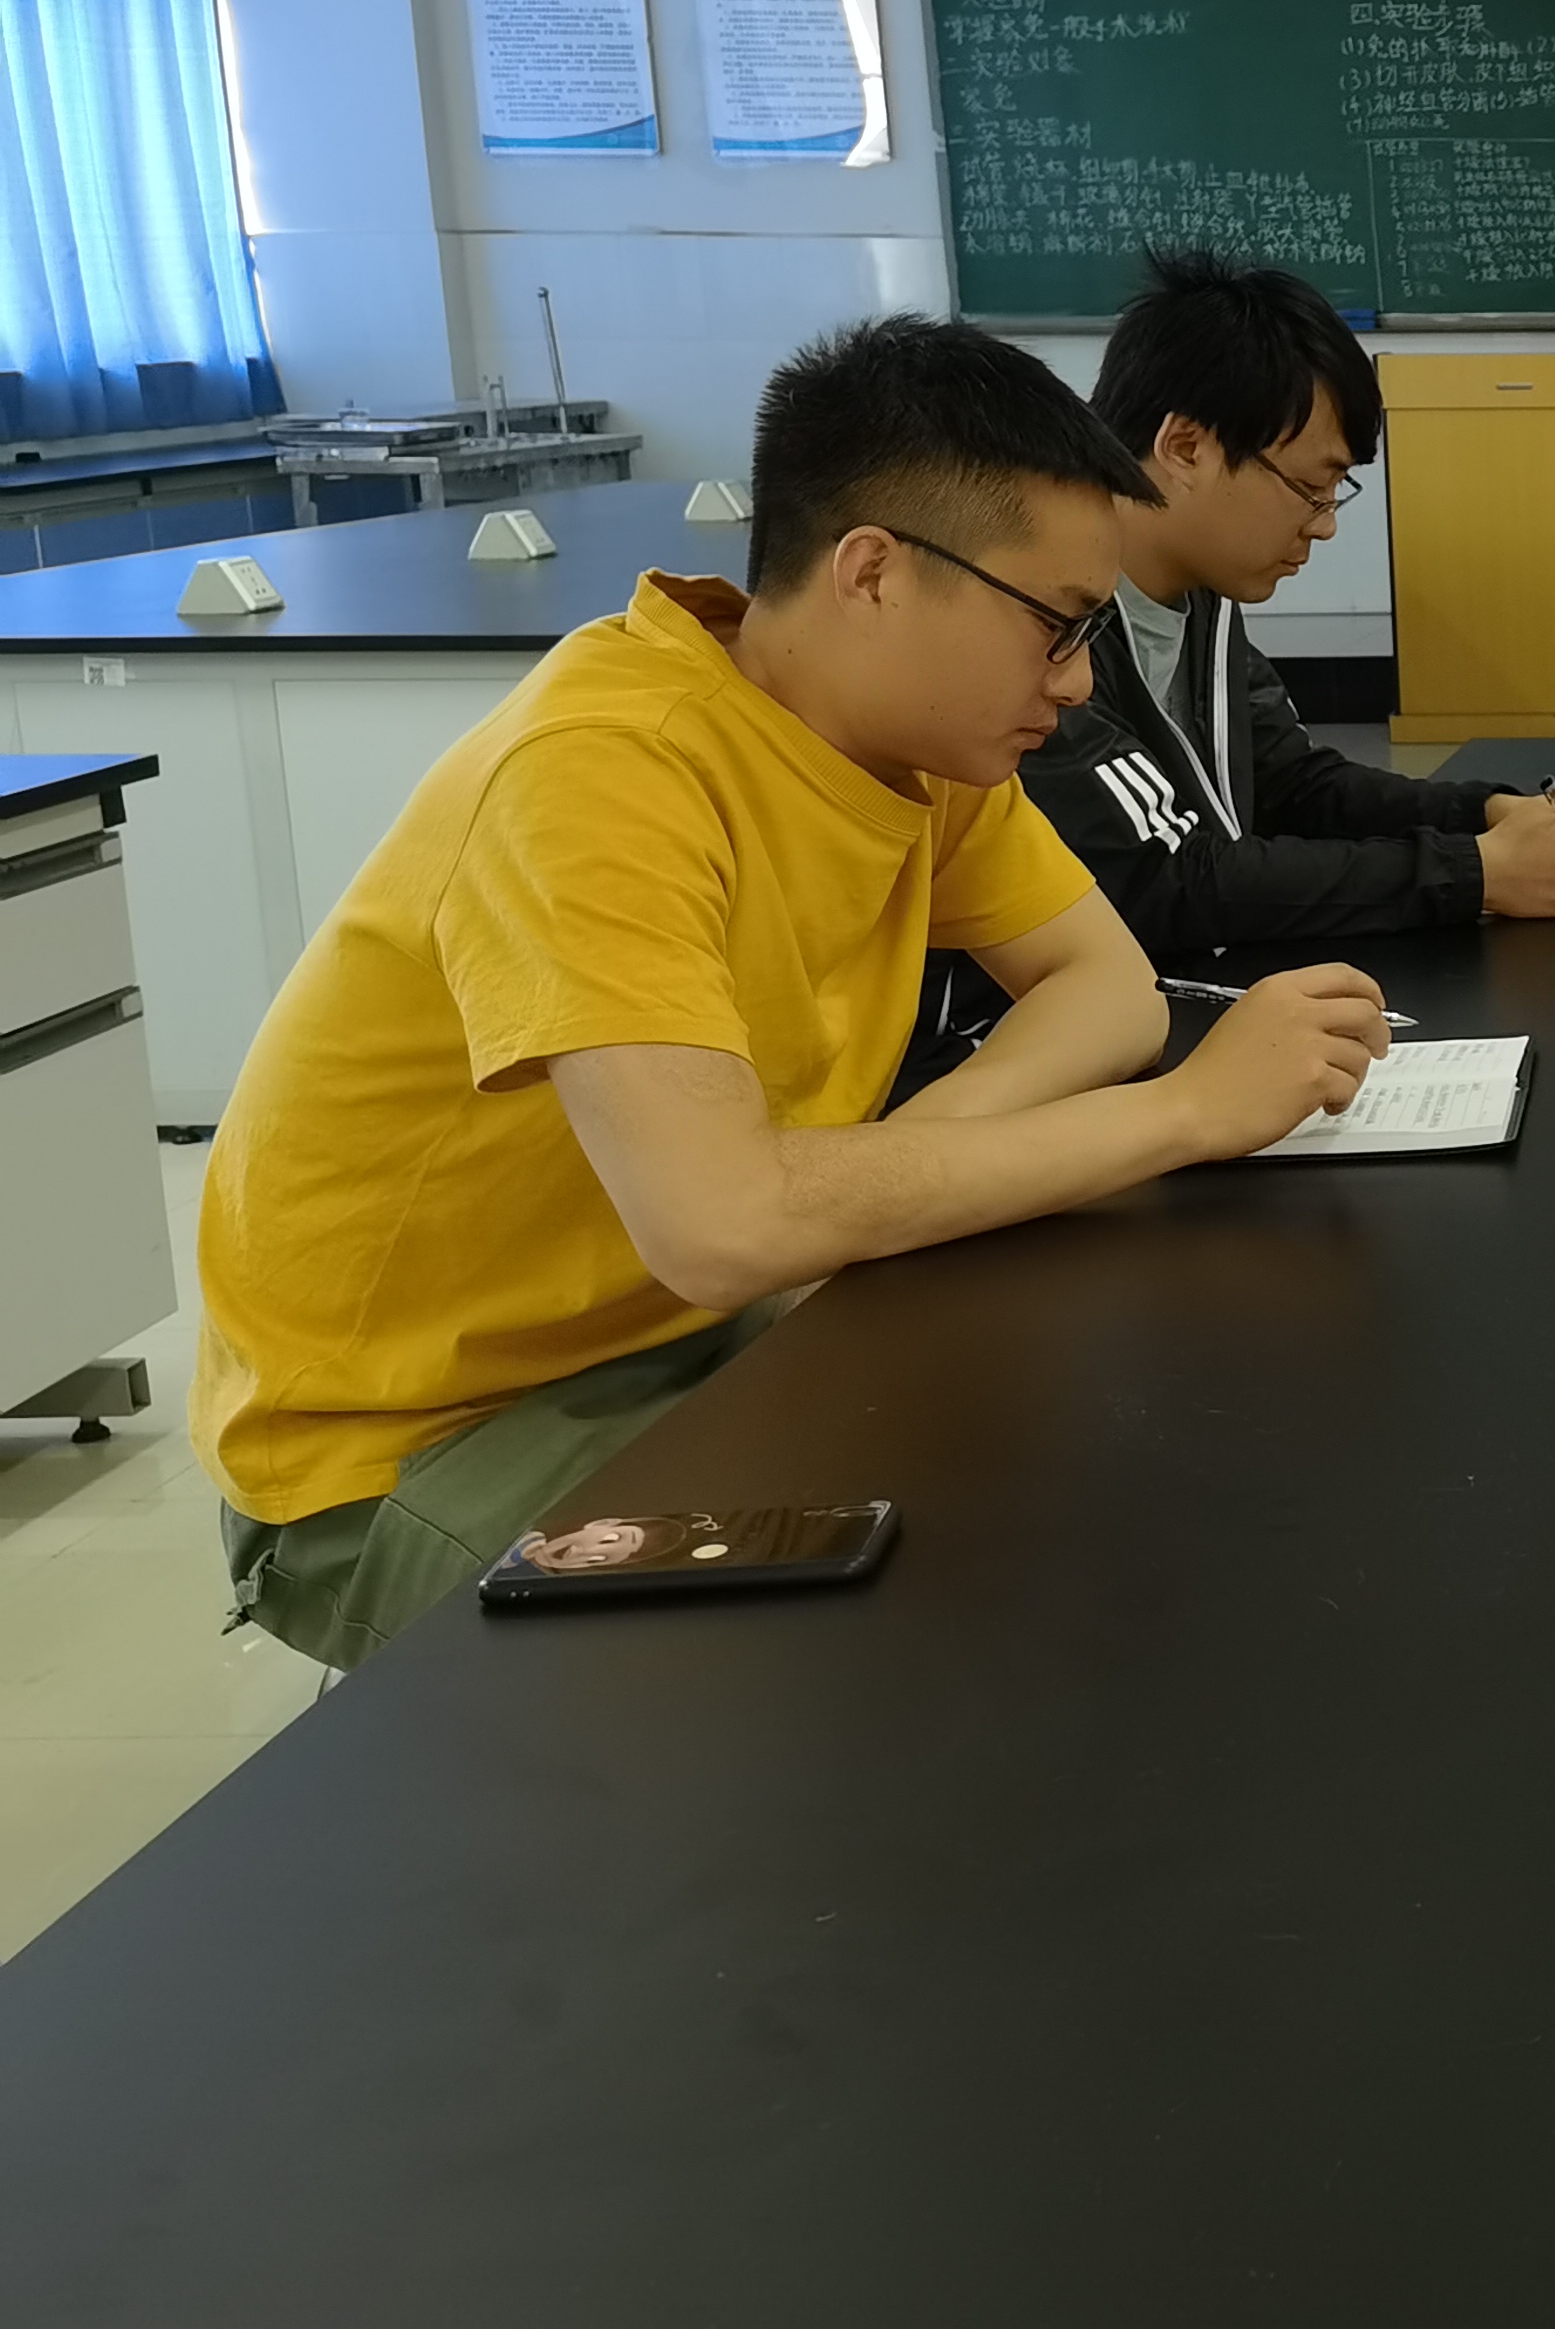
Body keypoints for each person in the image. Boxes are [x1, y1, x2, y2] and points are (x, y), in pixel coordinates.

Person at [191, 316, 1400, 1670]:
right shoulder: (606, 772)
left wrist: (860, 1188)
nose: (1074, 682)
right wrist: (1182, 1116)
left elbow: (1107, 990)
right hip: (419, 1440)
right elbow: (720, 1226)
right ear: (873, 572)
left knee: (1074, 1511)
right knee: (831, 1692)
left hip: (706, 1323)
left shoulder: (915, 741)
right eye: (1056, 626)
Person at [907, 249, 1555, 1084]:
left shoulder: (1201, 596)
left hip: (1159, 1007)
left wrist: (1492, 813)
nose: (1324, 525)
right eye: (1311, 488)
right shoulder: (1038, 631)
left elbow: (1291, 781)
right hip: (1003, 1049)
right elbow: (1166, 880)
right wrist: (1476, 873)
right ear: (1186, 446)